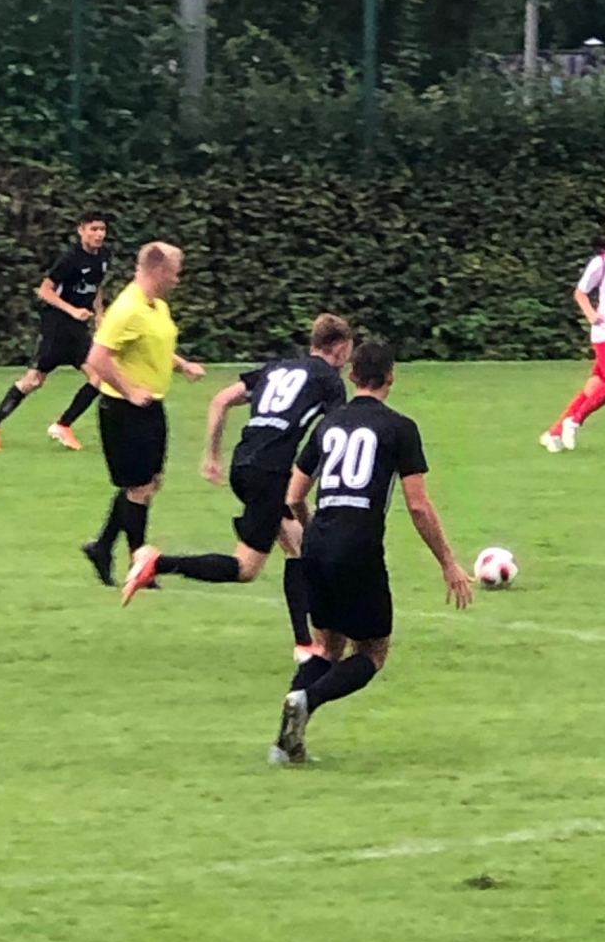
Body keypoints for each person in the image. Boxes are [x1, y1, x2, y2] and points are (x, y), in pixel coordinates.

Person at [271, 341, 473, 765]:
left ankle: (285, 745)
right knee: (372, 653)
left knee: (327, 649)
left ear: (352, 375)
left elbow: (293, 495)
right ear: (391, 377)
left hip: (317, 544)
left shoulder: (328, 424)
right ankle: (306, 699)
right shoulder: (400, 428)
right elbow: (418, 506)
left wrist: (313, 532)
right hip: (359, 548)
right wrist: (448, 562)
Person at [121, 315, 354, 650]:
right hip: (269, 474)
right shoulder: (329, 380)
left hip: (244, 465)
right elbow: (334, 434)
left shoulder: (277, 368)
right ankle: (157, 562)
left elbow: (221, 399)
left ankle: (305, 645)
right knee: (246, 568)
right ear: (341, 348)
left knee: (297, 544)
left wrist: (212, 455)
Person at [80, 241, 205, 587]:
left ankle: (102, 547)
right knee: (139, 488)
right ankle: (141, 566)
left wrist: (182, 365)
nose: (178, 279)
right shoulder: (127, 308)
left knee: (150, 483)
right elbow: (97, 357)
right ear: (159, 270)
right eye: (176, 272)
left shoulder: (156, 306)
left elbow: (155, 345)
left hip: (151, 406)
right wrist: (129, 391)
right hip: (123, 410)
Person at [0, 212, 110, 452]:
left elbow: (96, 286)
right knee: (34, 381)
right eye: (93, 229)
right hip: (57, 326)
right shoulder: (70, 259)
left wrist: (99, 314)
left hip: (78, 328)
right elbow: (45, 291)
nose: (99, 234)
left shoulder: (103, 256)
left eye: (102, 229)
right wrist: (72, 310)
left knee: (99, 377)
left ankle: (63, 425)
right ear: (81, 231)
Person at [541, 213, 605, 452]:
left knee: (595, 386)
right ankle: (575, 421)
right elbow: (580, 292)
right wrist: (591, 314)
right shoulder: (604, 263)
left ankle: (554, 433)